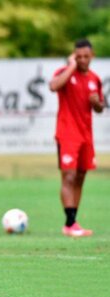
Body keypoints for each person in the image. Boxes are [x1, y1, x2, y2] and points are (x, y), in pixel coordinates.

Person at [49, 39, 105, 237]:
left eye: (85, 56)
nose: (82, 60)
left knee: (81, 176)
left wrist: (97, 103)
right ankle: (69, 223)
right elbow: (54, 86)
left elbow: (100, 107)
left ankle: (73, 221)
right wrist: (71, 66)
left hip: (86, 135)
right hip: (67, 133)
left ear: (92, 56)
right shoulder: (64, 73)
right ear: (73, 56)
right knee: (69, 175)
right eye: (78, 56)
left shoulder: (94, 78)